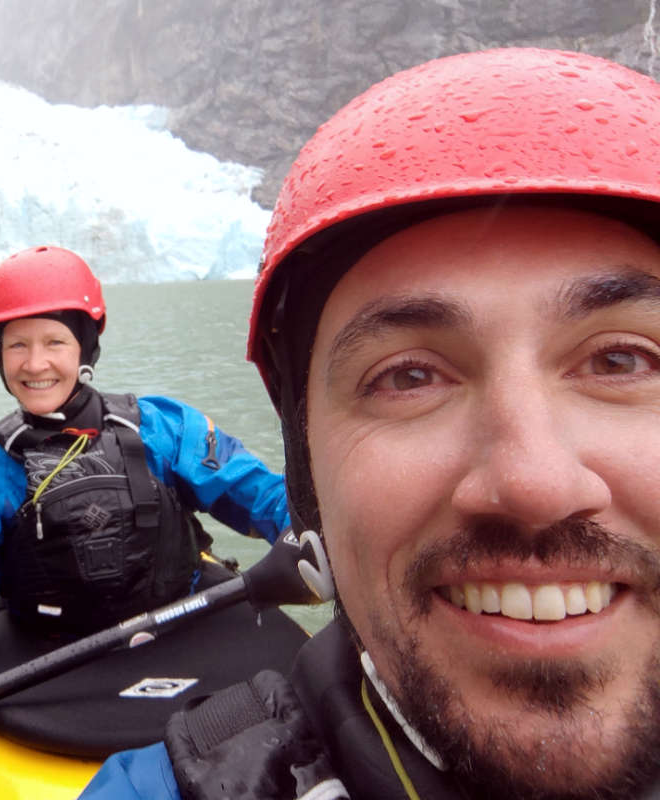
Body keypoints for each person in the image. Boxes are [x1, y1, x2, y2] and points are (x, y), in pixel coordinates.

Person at [80, 46, 660, 800]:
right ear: (311, 462)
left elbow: (243, 487)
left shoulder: (156, 427)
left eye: (622, 361)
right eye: (408, 377)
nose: (535, 482)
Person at [0, 244, 291, 717]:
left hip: (180, 628)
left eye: (54, 342)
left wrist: (303, 529)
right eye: (17, 345)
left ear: (86, 348)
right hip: (52, 657)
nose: (34, 364)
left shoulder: (165, 429)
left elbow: (260, 497)